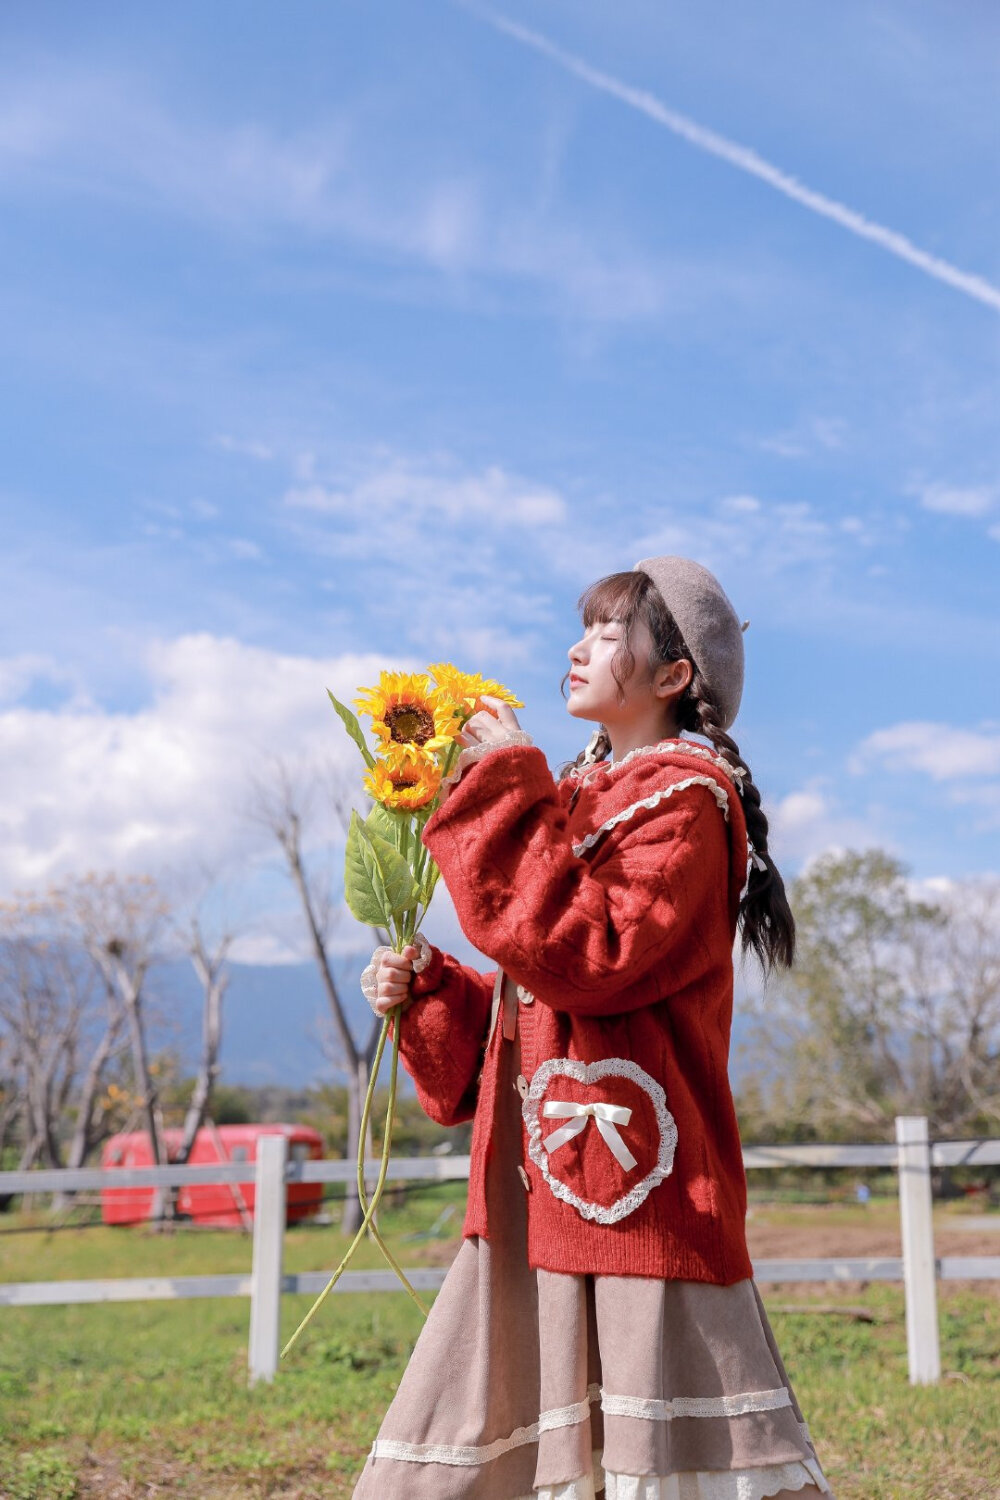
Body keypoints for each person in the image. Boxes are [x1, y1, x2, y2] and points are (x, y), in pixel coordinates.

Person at [351, 556, 835, 1500]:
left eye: (611, 632)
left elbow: (588, 954)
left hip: (636, 1197)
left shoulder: (686, 804)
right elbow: (541, 992)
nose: (578, 647)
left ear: (673, 675)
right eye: (583, 626)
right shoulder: (579, 794)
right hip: (542, 1191)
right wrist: (435, 993)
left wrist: (497, 782)